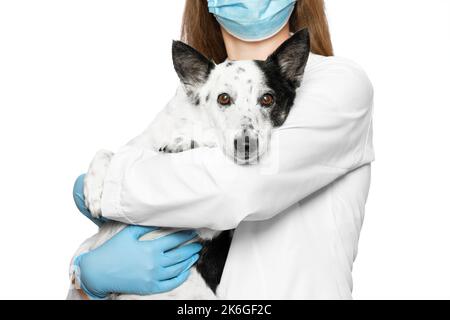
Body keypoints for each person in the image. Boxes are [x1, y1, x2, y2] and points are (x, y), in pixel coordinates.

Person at [69, 0, 374, 300]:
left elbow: (236, 187)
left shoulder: (339, 84)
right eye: (226, 101)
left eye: (266, 100)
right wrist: (87, 284)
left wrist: (111, 183)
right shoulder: (193, 95)